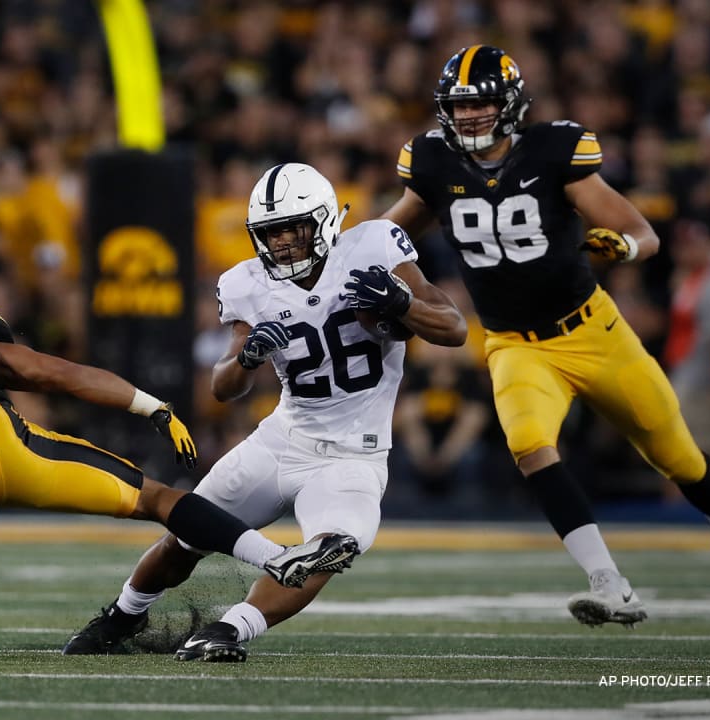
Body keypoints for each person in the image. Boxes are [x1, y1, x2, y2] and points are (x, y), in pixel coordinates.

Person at [381, 46, 710, 626]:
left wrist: (625, 247)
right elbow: (385, 234)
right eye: (460, 105)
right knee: (529, 446)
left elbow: (642, 232)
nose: (471, 115)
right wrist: (346, 254)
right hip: (513, 342)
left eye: (482, 103)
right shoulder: (431, 163)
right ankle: (607, 581)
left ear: (511, 104)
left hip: (593, 331)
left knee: (676, 453)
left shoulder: (553, 152)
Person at [0, 299, 362, 666]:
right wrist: (151, 407)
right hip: (11, 446)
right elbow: (49, 373)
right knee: (160, 500)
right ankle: (276, 557)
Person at [63, 162, 468, 662]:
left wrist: (402, 302)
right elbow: (223, 387)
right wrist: (248, 356)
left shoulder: (374, 246)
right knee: (187, 533)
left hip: (353, 455)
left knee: (330, 549)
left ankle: (232, 629)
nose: (280, 245)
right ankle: (121, 617)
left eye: (291, 230)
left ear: (321, 222)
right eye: (270, 234)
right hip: (282, 440)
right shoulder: (248, 283)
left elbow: (453, 328)